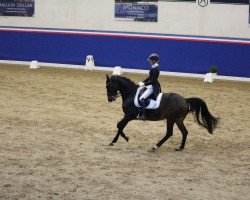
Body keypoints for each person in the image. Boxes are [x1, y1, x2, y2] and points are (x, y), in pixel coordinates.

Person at [138, 53, 161, 120]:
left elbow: (153, 81)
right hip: (150, 84)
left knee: (142, 98)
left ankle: (144, 115)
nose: (150, 61)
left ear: (154, 60)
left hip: (153, 86)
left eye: (150, 60)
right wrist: (143, 81)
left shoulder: (156, 69)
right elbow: (150, 77)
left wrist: (144, 84)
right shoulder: (153, 67)